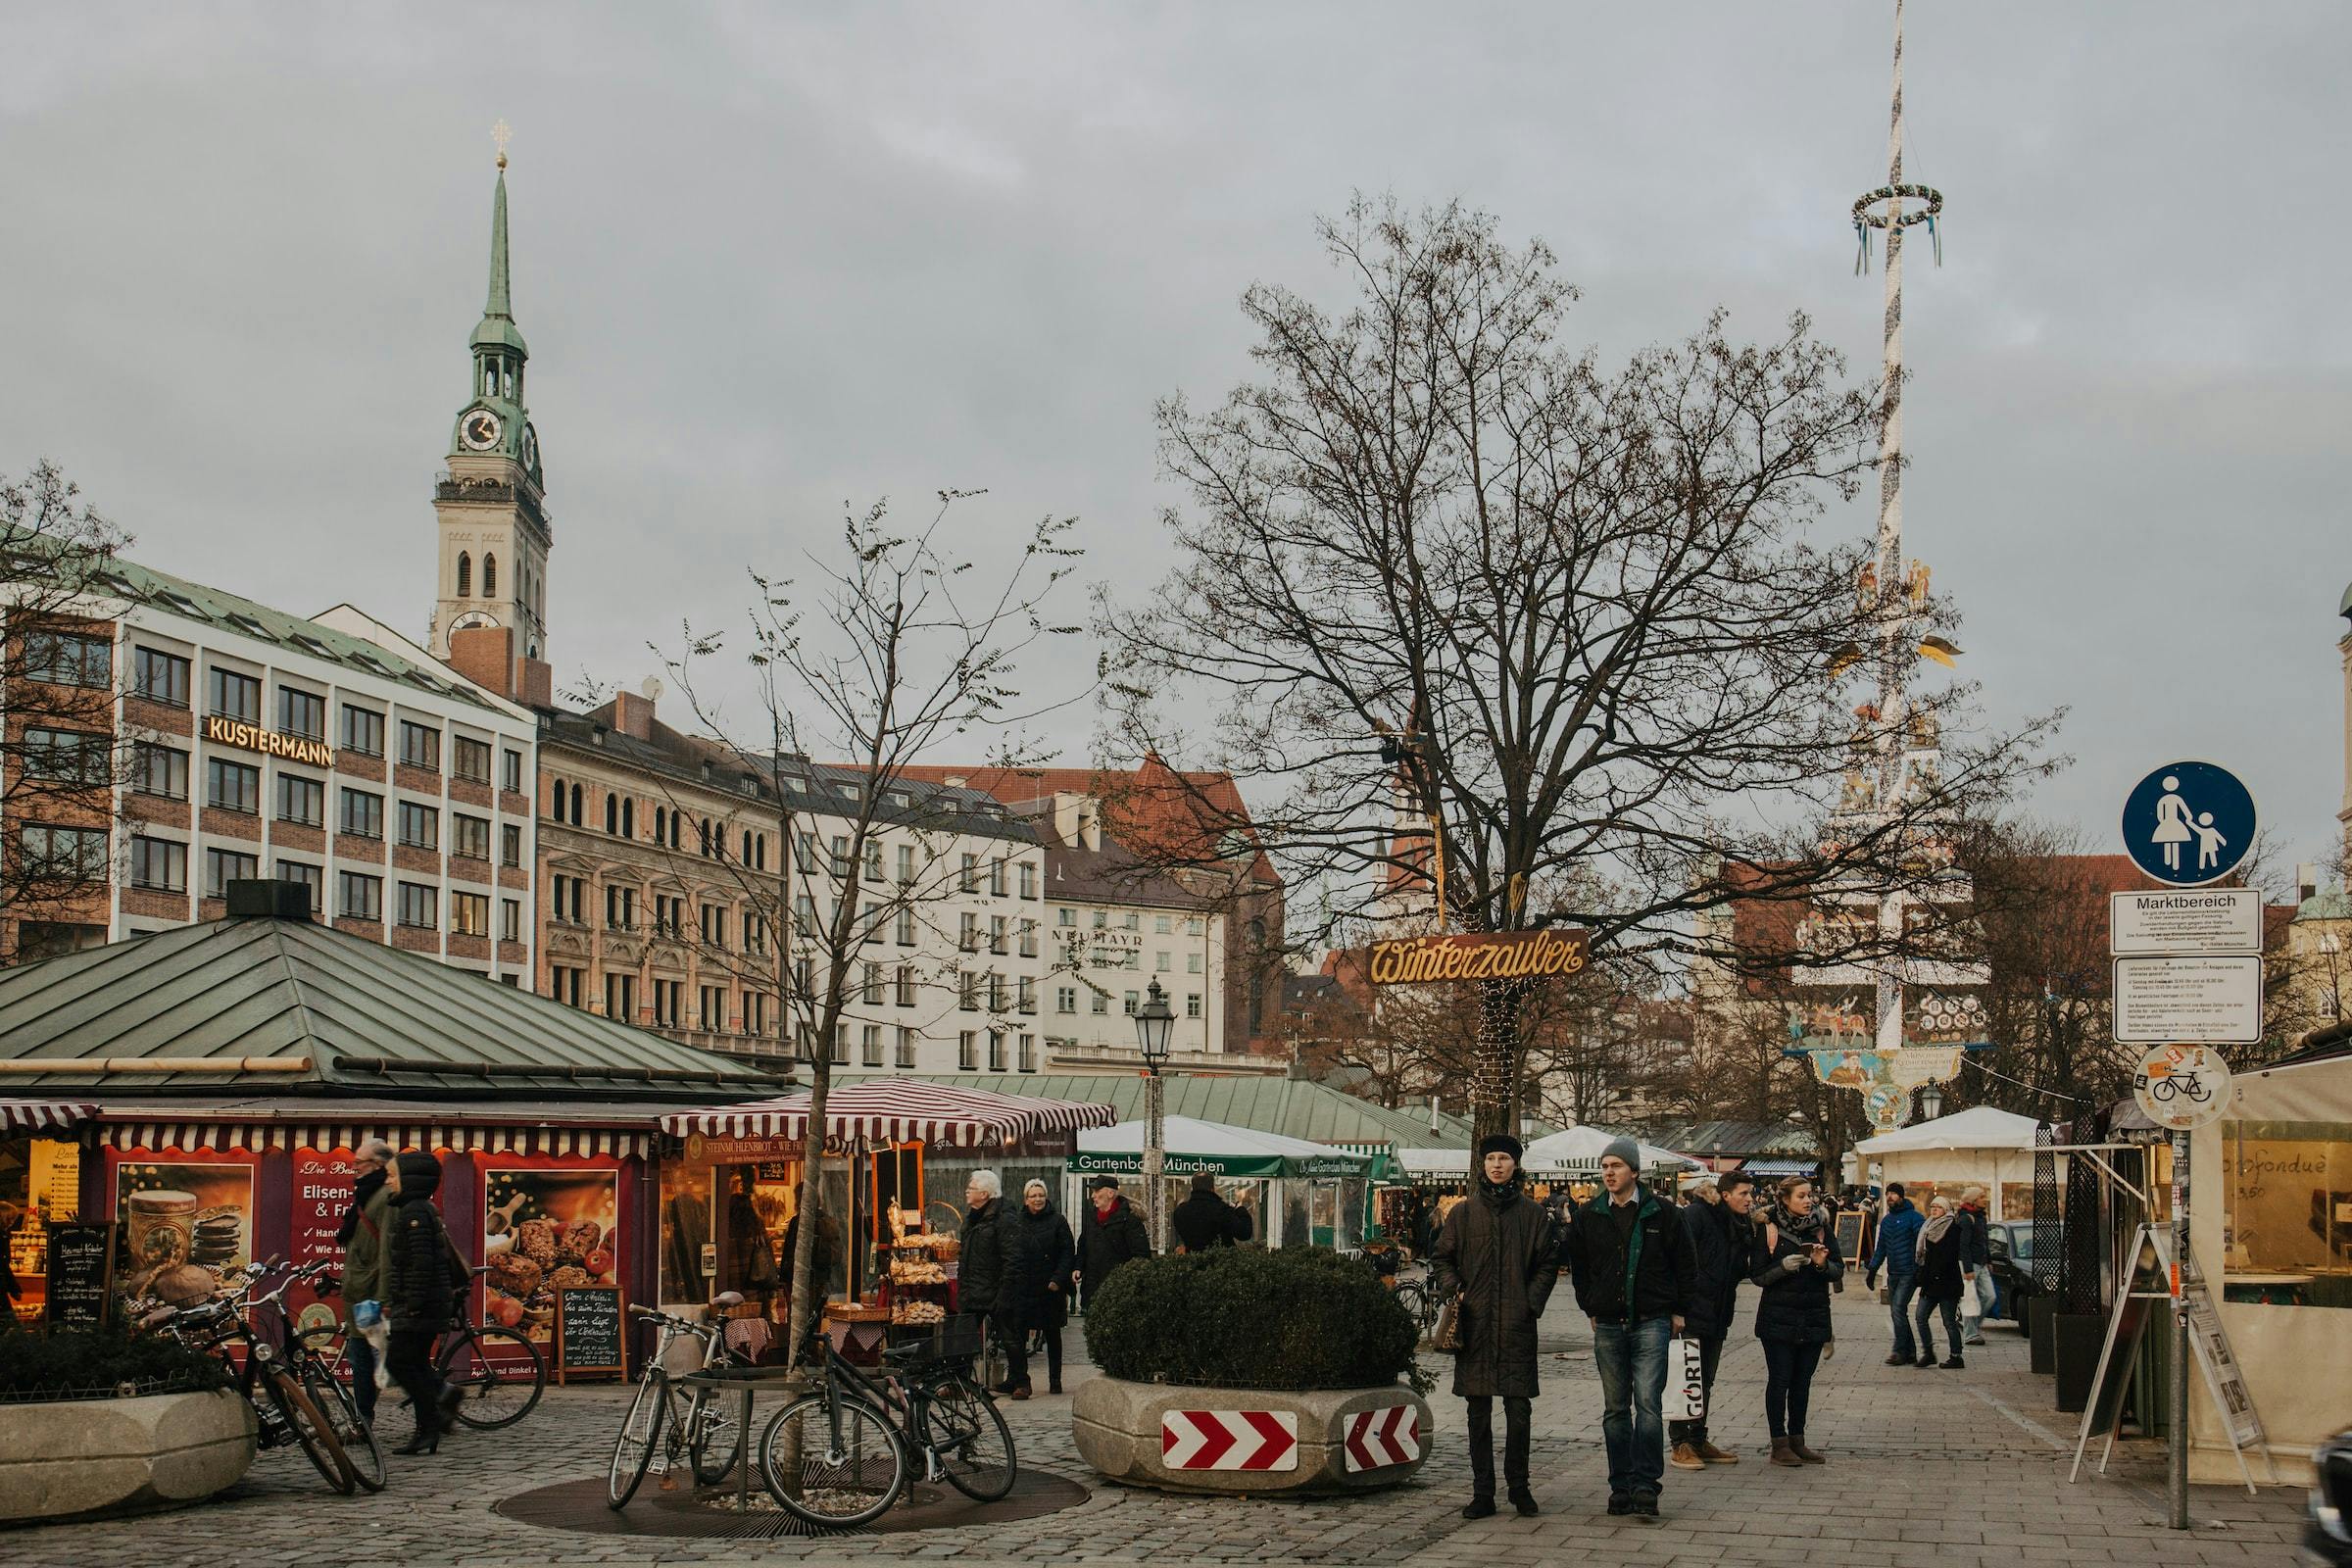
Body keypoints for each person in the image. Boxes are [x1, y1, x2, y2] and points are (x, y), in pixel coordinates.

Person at [1562, 1138, 1695, 1520]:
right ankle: (1620, 1485)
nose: (1609, 1172)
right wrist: (1590, 1303)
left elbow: (1686, 1263)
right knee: (1615, 1409)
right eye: (1605, 1166)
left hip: (1652, 1320)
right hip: (1607, 1322)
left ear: (1634, 1171)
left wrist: (1679, 1309)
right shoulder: (1589, 1215)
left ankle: (1646, 1485)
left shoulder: (1662, 1213)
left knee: (1649, 1406)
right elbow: (1580, 1267)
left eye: (1617, 1165)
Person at [1429, 1134, 1557, 1521]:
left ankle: (1520, 1487)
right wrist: (1456, 1289)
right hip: (1476, 1325)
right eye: (1491, 1159)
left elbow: (1548, 1263)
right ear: (1482, 1165)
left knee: (1519, 1411)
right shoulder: (1464, 1214)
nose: (1497, 1165)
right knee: (1477, 1412)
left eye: (1504, 1158)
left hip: (1517, 1326)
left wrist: (1531, 1304)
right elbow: (1441, 1258)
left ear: (1515, 1165)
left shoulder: (1533, 1215)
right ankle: (1482, 1491)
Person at [1670, 1169, 1759, 1470]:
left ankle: (1697, 1439)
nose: (1750, 1199)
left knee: (1705, 1379)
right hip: (1692, 1310)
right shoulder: (1697, 1215)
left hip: (1719, 1310)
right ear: (1725, 1195)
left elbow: (1738, 1268)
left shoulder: (1739, 1222)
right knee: (1686, 1378)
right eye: (1744, 1193)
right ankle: (1680, 1443)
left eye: (1751, 1193)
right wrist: (1677, 1308)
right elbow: (1676, 1259)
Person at [1751, 1176, 1843, 1466]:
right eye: (1801, 1196)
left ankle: (1798, 1440)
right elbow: (1757, 1275)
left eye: (1810, 1196)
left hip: (1814, 1316)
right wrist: (1783, 1267)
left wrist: (1821, 1264)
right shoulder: (1768, 1228)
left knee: (1802, 1382)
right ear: (1785, 1199)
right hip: (1778, 1318)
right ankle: (1779, 1444)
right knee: (1780, 1381)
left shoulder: (1822, 1227)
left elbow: (1838, 1270)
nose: (1808, 1201)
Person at [383, 1152, 465, 1454]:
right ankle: (430, 1425)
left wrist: (413, 1302)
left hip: (420, 1307)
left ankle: (430, 1425)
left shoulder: (414, 1212)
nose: (388, 1180)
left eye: (393, 1175)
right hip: (424, 1304)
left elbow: (421, 1262)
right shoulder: (418, 1208)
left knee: (400, 1362)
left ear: (410, 1180)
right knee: (414, 1364)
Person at [334, 1139, 397, 1425]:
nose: (355, 1168)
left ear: (379, 1166)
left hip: (370, 1295)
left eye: (361, 1162)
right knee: (369, 1357)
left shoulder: (383, 1198)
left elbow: (386, 1252)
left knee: (365, 1358)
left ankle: (362, 1421)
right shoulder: (366, 1196)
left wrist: (384, 1297)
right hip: (361, 1291)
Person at [1003, 1179, 1077, 1396]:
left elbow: (1066, 1253)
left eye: (1040, 1195)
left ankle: (1055, 1380)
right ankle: (1019, 1381)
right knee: (1019, 1335)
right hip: (1024, 1287)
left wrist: (1058, 1279)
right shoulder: (1017, 1222)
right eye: (1033, 1196)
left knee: (1053, 1334)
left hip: (1050, 1287)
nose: (1037, 1199)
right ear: (1025, 1200)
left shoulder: (1058, 1221)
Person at [956, 1172, 1016, 1394]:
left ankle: (1020, 1381)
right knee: (962, 1338)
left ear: (984, 1193)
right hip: (973, 1289)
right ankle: (959, 1381)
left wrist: (1005, 1292)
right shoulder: (972, 1217)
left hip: (995, 1289)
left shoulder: (1004, 1218)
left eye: (971, 1188)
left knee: (1010, 1337)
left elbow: (1012, 1258)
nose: (967, 1191)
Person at [1864, 1182, 1925, 1366]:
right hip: (1894, 1273)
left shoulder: (1914, 1218)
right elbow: (1881, 1248)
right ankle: (1911, 1352)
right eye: (1888, 1193)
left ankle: (1899, 1351)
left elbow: (1922, 1244)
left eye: (1893, 1194)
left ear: (1901, 1196)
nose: (1890, 1197)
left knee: (1898, 1309)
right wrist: (1872, 1270)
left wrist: (1920, 1267)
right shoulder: (1887, 1221)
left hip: (1909, 1271)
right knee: (1896, 1312)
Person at [1074, 1176, 1151, 1310]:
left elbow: (1141, 1255)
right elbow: (1083, 1245)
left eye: (1097, 1191)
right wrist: (1078, 1267)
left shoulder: (1130, 1219)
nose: (1093, 1196)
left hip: (1118, 1289)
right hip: (1092, 1288)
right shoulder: (1092, 1217)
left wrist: (1127, 1281)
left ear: (1110, 1193)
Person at [1911, 1195, 1969, 1369]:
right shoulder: (1928, 1226)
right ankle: (1928, 1352)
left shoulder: (1952, 1228)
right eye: (1932, 1207)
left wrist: (1935, 1272)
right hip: (1930, 1282)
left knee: (1948, 1321)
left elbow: (1949, 1256)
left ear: (1946, 1210)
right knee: (1920, 1317)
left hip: (1947, 1282)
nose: (1934, 1210)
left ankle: (1956, 1356)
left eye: (1938, 1207)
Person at [1172, 1173, 1251, 1251]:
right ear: (1212, 1188)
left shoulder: (1180, 1212)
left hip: (1192, 1261)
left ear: (1193, 1187)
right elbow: (1244, 1233)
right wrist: (1240, 1210)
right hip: (1222, 1260)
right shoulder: (1222, 1210)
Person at [1957, 1186, 1994, 1345]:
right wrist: (1967, 1269)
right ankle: (1970, 1334)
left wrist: (1989, 1260)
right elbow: (1963, 1245)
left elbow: (1984, 1241)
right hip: (1970, 1264)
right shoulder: (1966, 1218)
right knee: (1970, 1299)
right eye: (1982, 1197)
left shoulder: (1981, 1217)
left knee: (1989, 1297)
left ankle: (1969, 1326)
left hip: (1982, 1263)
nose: (1985, 1199)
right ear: (1973, 1200)